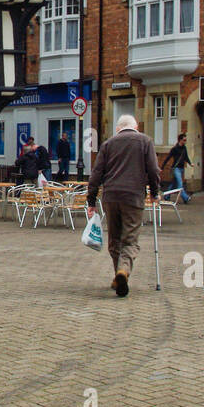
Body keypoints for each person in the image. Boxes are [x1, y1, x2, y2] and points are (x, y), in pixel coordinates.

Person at [86, 115, 162, 298]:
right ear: (135, 126)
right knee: (130, 238)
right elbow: (153, 169)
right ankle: (123, 271)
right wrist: (155, 192)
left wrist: (91, 201)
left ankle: (119, 275)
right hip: (133, 197)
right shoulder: (145, 141)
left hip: (111, 196)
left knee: (114, 239)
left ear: (118, 129)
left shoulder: (108, 144)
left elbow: (96, 173)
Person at [161, 133, 192, 204]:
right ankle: (186, 198)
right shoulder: (174, 149)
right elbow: (168, 158)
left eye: (186, 140)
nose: (185, 141)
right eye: (184, 140)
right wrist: (162, 167)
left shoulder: (184, 148)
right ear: (180, 140)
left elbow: (186, 157)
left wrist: (190, 163)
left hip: (181, 169)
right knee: (180, 183)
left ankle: (166, 196)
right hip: (176, 168)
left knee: (173, 184)